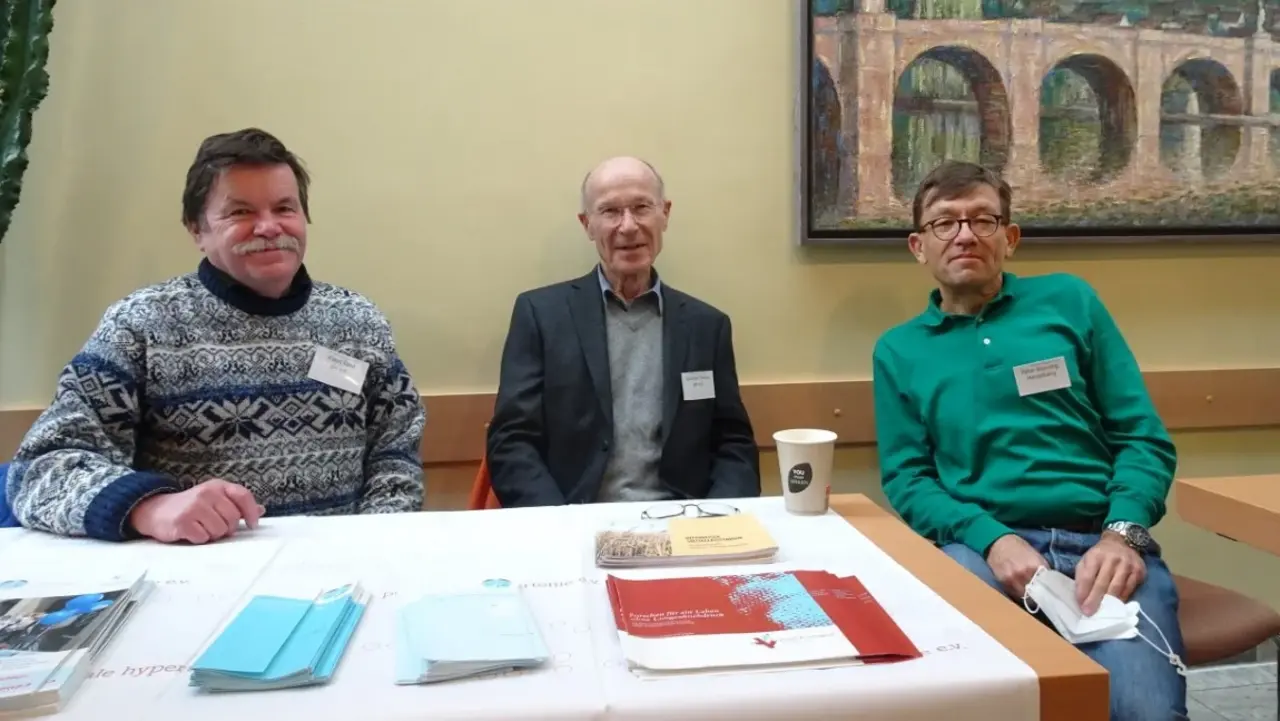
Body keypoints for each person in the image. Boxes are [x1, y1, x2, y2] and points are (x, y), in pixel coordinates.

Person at [871, 160, 1185, 720]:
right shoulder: (898, 350)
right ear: (919, 247)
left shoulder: (1070, 301)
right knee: (977, 703)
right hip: (980, 549)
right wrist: (992, 539)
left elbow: (1142, 437)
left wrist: (1122, 535)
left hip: (1101, 541)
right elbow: (907, 478)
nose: (964, 234)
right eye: (945, 223)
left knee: (1145, 713)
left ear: (1009, 238)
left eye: (982, 220)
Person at [7, 128, 426, 545]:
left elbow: (396, 450)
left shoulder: (357, 322)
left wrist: (376, 540)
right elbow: (40, 470)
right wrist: (149, 506)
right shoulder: (143, 326)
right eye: (240, 212)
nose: (268, 227)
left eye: (284, 208)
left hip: (340, 572)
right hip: (195, 575)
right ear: (197, 230)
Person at [486, 156, 759, 507]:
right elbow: (511, 441)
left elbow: (733, 443)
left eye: (642, 207)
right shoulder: (540, 316)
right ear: (587, 224)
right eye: (610, 212)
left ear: (666, 214)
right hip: (576, 521)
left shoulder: (707, 326)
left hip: (683, 524)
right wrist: (559, 523)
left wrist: (718, 518)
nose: (628, 226)